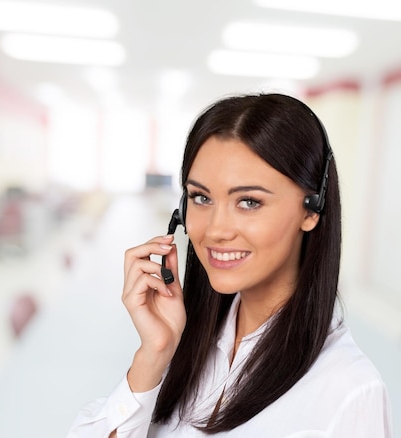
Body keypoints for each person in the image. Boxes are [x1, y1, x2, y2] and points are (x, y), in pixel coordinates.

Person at [67, 93, 393, 437]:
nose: (215, 230)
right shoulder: (183, 345)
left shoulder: (350, 391)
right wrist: (153, 354)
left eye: (249, 202)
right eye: (201, 198)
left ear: (311, 209)